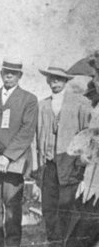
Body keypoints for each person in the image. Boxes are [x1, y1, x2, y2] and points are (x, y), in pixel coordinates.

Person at [0, 59, 38, 247]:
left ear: (20, 76)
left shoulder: (28, 99)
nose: (9, 75)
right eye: (6, 72)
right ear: (1, 73)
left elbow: (27, 131)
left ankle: (13, 242)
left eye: (13, 73)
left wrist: (8, 156)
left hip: (14, 162)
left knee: (12, 205)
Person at [35, 66, 90, 247]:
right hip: (48, 166)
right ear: (47, 80)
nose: (55, 82)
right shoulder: (42, 105)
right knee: (48, 209)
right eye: (52, 79)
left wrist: (81, 163)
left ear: (65, 81)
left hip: (70, 166)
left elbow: (86, 134)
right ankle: (54, 242)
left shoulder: (80, 103)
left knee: (67, 209)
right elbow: (37, 137)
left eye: (59, 79)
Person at [65, 50, 99, 247]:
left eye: (97, 75)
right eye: (94, 75)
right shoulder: (94, 105)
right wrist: (83, 157)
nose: (95, 80)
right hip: (91, 178)